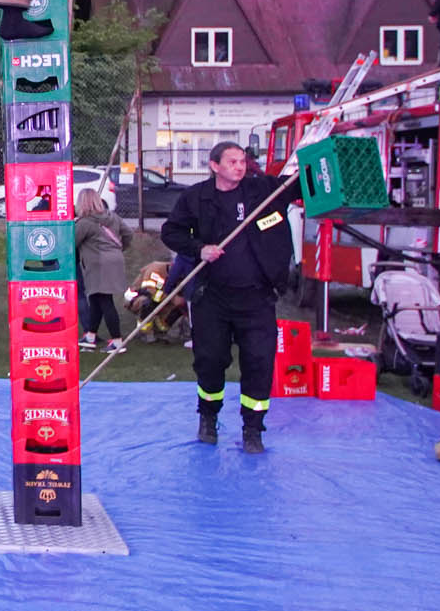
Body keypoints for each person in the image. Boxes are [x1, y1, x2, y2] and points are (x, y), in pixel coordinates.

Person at [159, 140, 294, 452]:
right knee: (210, 360)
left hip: (257, 299)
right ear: (214, 165)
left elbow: (300, 185)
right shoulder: (196, 198)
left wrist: (320, 160)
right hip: (213, 298)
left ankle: (253, 429)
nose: (240, 166)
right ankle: (208, 417)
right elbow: (171, 232)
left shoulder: (262, 190)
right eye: (232, 162)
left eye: (242, 161)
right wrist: (199, 249)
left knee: (259, 362)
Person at [77, 188, 129, 352]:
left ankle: (117, 341)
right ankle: (90, 336)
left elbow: (71, 242)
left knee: (105, 301)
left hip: (97, 264)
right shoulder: (113, 217)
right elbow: (128, 234)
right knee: (96, 298)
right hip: (115, 261)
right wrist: (118, 250)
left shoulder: (85, 223)